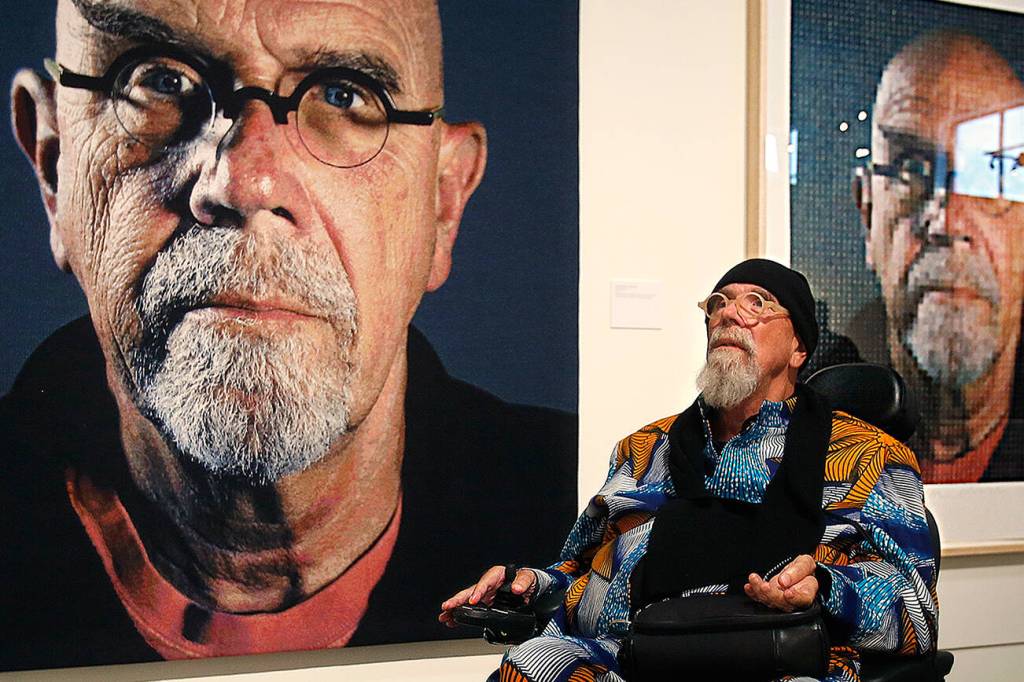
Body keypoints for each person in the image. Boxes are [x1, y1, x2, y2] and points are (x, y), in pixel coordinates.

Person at [0, 0, 576, 671]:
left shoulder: (590, 524)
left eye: (343, 94)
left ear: (443, 203)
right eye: (160, 80)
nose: (246, 181)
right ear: (53, 165)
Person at [441, 259, 938, 682]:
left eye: (757, 303)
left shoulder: (869, 456)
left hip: (775, 660)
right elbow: (575, 567)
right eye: (718, 303)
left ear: (798, 349)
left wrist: (826, 589)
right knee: (528, 665)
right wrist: (526, 583)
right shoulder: (643, 450)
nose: (727, 315)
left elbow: (919, 612)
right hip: (627, 657)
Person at [853, 30, 1024, 482]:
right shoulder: (803, 427)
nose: (947, 223)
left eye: (992, 172)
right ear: (868, 211)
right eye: (911, 167)